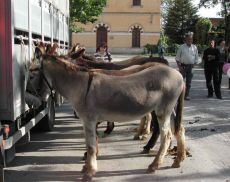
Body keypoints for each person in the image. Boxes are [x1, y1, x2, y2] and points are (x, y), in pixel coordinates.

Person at [175, 32, 199, 100]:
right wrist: (179, 67)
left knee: (189, 83)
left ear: (192, 40)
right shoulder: (181, 47)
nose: (189, 40)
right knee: (180, 82)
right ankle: (179, 95)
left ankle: (186, 95)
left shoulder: (195, 47)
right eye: (188, 39)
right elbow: (177, 58)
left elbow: (196, 58)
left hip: (191, 67)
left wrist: (193, 65)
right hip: (183, 66)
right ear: (185, 39)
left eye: (191, 39)